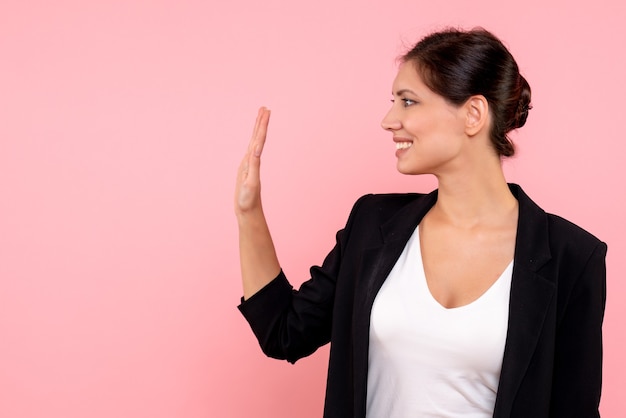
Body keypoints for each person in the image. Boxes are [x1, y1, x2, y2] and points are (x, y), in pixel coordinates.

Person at [234, 28, 607, 418]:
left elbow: (574, 409)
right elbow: (285, 333)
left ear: (473, 114)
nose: (388, 120)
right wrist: (248, 213)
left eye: (408, 102)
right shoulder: (371, 225)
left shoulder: (572, 258)